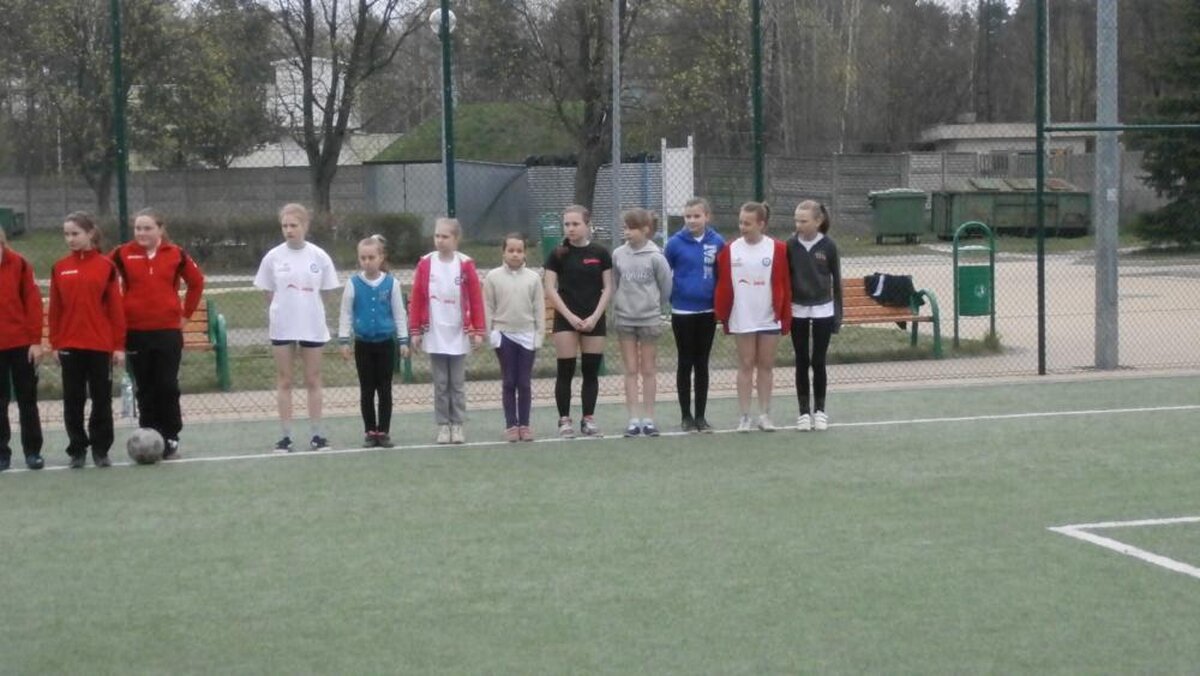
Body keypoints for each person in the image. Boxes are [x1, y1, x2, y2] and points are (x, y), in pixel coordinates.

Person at [110, 208, 205, 460]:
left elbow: (196, 282)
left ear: (160, 229)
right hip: (135, 332)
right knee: (145, 388)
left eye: (147, 228)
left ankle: (171, 437)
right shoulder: (122, 253)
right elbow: (102, 276)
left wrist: (185, 315)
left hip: (167, 332)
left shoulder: (176, 254)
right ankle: (148, 435)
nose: (142, 233)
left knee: (167, 386)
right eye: (138, 228)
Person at [253, 203, 340, 453]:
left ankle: (317, 435)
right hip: (282, 327)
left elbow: (326, 292)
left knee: (313, 379)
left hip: (312, 326)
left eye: (294, 225)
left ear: (305, 226)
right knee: (285, 380)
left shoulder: (319, 257)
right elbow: (268, 291)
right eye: (285, 226)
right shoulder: (273, 257)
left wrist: (308, 310)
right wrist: (283, 311)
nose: (289, 230)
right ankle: (286, 436)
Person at [49, 212, 126, 468]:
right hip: (70, 345)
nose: (70, 239)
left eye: (75, 233)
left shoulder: (106, 267)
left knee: (101, 399)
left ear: (90, 233)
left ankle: (101, 449)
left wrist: (118, 346)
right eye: (66, 234)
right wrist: (55, 343)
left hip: (99, 345)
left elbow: (115, 309)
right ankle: (77, 449)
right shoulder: (60, 267)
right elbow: (56, 309)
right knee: (73, 400)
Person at [714, 201, 791, 432]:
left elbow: (784, 284)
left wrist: (784, 314)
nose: (742, 227)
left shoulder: (778, 249)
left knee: (766, 365)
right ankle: (745, 416)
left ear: (761, 224)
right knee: (746, 364)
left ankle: (765, 415)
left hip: (768, 316)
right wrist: (722, 312)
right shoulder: (729, 250)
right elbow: (722, 283)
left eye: (747, 223)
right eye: (740, 222)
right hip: (742, 316)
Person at [408, 217, 485, 445]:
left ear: (456, 239)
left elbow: (475, 298)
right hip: (435, 332)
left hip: (458, 332)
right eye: (437, 236)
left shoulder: (465, 264)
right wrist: (416, 330)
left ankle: (457, 424)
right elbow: (417, 297)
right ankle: (443, 425)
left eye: (445, 236)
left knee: (457, 383)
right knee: (441, 383)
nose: (440, 240)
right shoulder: (425, 264)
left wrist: (478, 329)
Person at [543, 205, 613, 438]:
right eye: (567, 224)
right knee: (566, 371)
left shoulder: (600, 253)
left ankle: (588, 419)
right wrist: (570, 317)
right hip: (566, 320)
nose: (571, 228)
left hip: (594, 319)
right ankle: (564, 420)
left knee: (591, 372)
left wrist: (594, 317)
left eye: (575, 224)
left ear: (587, 224)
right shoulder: (557, 254)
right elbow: (549, 288)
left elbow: (608, 288)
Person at [337, 235, 410, 449]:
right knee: (367, 389)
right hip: (363, 344)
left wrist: (403, 341)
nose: (367, 262)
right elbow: (346, 313)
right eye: (363, 258)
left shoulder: (392, 284)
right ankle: (370, 430)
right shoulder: (353, 284)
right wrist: (344, 341)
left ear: (381, 258)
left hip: (385, 343)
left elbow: (399, 314)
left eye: (371, 257)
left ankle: (383, 431)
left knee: (385, 389)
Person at [664, 196, 725, 434]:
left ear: (707, 217)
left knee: (702, 363)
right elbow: (664, 273)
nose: (692, 220)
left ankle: (700, 416)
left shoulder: (717, 242)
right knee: (685, 361)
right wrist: (671, 297)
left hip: (707, 311)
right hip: (682, 311)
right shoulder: (674, 244)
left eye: (697, 216)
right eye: (688, 216)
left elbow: (722, 275)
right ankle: (686, 416)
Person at [612, 208, 672, 438]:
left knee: (648, 369)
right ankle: (633, 419)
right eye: (625, 228)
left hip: (649, 319)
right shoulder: (618, 254)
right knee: (630, 369)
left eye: (632, 228)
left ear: (645, 230)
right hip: (625, 318)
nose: (627, 232)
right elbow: (615, 282)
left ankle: (648, 419)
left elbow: (665, 287)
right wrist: (619, 306)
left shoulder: (656, 256)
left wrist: (653, 306)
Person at [483, 234, 545, 442]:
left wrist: (539, 335)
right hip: (504, 335)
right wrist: (491, 333)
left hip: (527, 335)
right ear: (503, 252)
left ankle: (524, 424)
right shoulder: (493, 277)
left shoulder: (533, 278)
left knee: (524, 382)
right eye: (511, 250)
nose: (515, 254)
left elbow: (539, 308)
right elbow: (488, 306)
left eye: (519, 251)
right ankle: (511, 424)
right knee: (509, 381)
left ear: (525, 253)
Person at [787, 200, 842, 432]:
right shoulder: (790, 245)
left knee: (818, 361)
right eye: (796, 221)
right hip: (797, 310)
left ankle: (820, 411)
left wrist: (837, 316)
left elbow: (837, 282)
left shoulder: (829, 246)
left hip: (823, 310)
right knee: (801, 361)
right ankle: (803, 412)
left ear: (818, 221)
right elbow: (785, 279)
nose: (798, 225)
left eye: (804, 221)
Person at [0, 227, 45, 471]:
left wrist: (35, 341)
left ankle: (33, 452)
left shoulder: (19, 264)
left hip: (21, 345)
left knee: (27, 400)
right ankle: (2, 454)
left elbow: (33, 303)